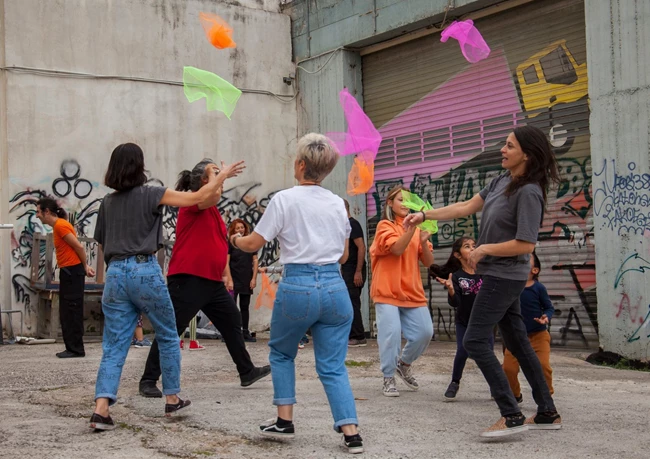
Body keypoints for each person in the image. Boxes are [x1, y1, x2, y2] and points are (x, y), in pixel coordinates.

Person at [404, 125, 563, 437]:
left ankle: (511, 413)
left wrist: (485, 248)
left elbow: (527, 244)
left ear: (526, 155)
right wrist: (425, 215)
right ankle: (547, 411)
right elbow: (466, 206)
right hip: (498, 274)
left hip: (505, 276)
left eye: (509, 146)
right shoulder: (502, 179)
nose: (502, 150)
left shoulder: (529, 192)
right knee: (517, 341)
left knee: (475, 340)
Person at [231, 133, 364, 454]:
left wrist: (233, 241)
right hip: (335, 288)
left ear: (302, 164)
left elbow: (252, 244)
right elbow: (345, 257)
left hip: (299, 286)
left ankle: (285, 420)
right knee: (333, 366)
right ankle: (351, 432)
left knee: (281, 352)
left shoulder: (284, 200)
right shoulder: (337, 204)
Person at [91, 143, 237, 430]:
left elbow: (101, 243)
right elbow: (200, 196)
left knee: (114, 345)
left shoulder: (107, 203)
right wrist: (223, 176)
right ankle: (172, 398)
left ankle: (101, 408)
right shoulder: (152, 194)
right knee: (169, 334)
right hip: (144, 269)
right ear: (139, 166)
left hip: (116, 272)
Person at [138, 159, 270, 399]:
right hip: (189, 278)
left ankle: (247, 371)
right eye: (214, 173)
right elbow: (210, 196)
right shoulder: (194, 202)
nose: (221, 176)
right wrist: (223, 176)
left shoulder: (212, 211)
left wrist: (225, 274)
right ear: (203, 180)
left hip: (211, 282)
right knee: (172, 328)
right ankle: (148, 379)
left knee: (232, 320)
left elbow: (218, 244)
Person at [369, 186, 434, 398]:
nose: (405, 204)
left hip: (412, 291)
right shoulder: (384, 226)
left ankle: (403, 364)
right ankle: (388, 376)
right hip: (386, 289)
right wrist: (412, 230)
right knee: (391, 335)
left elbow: (428, 261)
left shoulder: (416, 230)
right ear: (389, 203)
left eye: (408, 200)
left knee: (425, 332)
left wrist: (423, 242)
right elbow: (396, 249)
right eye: (400, 200)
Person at [430, 236, 494, 401]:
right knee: (462, 351)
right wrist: (451, 289)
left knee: (488, 354)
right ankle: (454, 382)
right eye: (467, 246)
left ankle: (496, 386)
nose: (472, 248)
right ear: (458, 255)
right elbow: (455, 302)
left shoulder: (484, 272)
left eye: (474, 245)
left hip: (484, 323)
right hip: (464, 322)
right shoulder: (457, 276)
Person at [36, 197, 95, 358]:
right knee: (67, 310)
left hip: (72, 271)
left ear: (47, 212)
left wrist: (85, 266)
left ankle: (76, 349)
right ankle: (71, 347)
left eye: (38, 212)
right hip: (69, 271)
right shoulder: (58, 226)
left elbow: (78, 246)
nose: (37, 216)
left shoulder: (61, 226)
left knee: (72, 309)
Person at [503, 251, 555, 403]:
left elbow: (549, 307)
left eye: (525, 260)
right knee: (508, 368)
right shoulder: (510, 287)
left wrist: (546, 316)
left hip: (538, 336)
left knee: (543, 366)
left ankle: (546, 397)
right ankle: (515, 395)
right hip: (515, 337)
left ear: (534, 270)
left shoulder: (539, 288)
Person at [227, 219, 258, 343]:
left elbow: (255, 261)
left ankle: (245, 332)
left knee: (245, 307)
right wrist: (229, 279)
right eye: (237, 228)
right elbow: (226, 262)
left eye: (242, 227)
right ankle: (231, 333)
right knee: (231, 307)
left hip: (246, 279)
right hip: (234, 279)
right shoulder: (230, 243)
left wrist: (254, 278)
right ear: (233, 230)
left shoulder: (250, 242)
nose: (240, 230)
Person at [342, 199, 367, 347]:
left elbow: (361, 248)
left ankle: (358, 336)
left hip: (354, 269)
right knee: (348, 302)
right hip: (348, 268)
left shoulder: (353, 224)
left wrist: (358, 271)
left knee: (352, 302)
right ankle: (352, 334)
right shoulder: (346, 226)